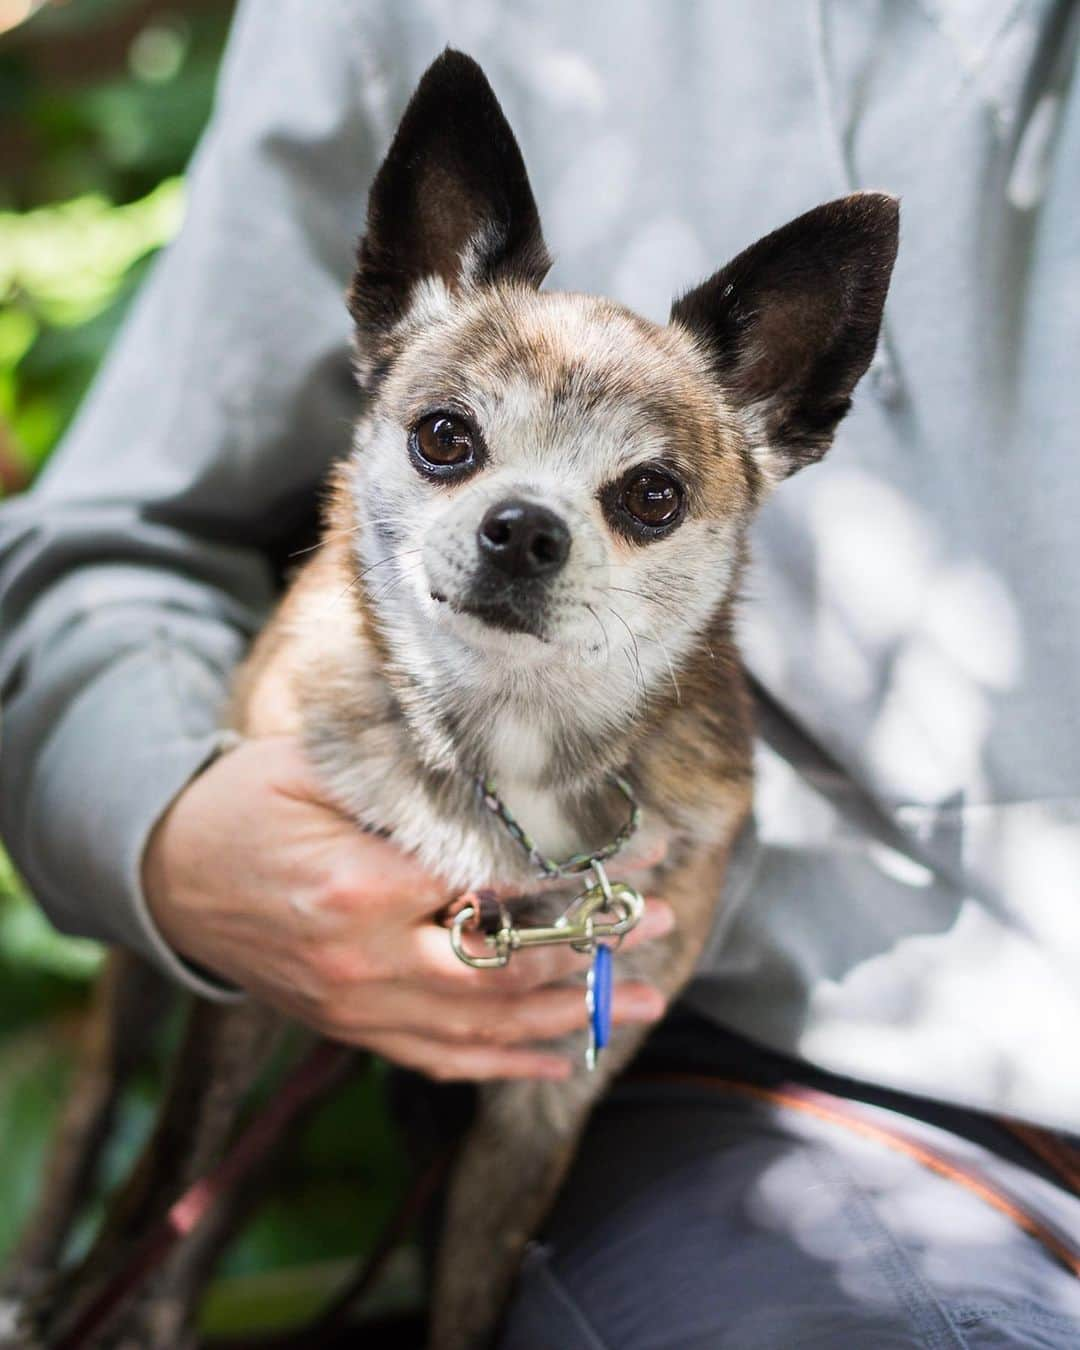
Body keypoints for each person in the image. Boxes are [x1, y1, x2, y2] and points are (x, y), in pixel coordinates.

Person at [2, 2, 1078, 1344]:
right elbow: (114, 532)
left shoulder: (693, 792)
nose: (525, 522)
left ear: (779, 424)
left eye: (639, 498)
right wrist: (168, 833)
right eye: (454, 442)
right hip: (800, 1116)